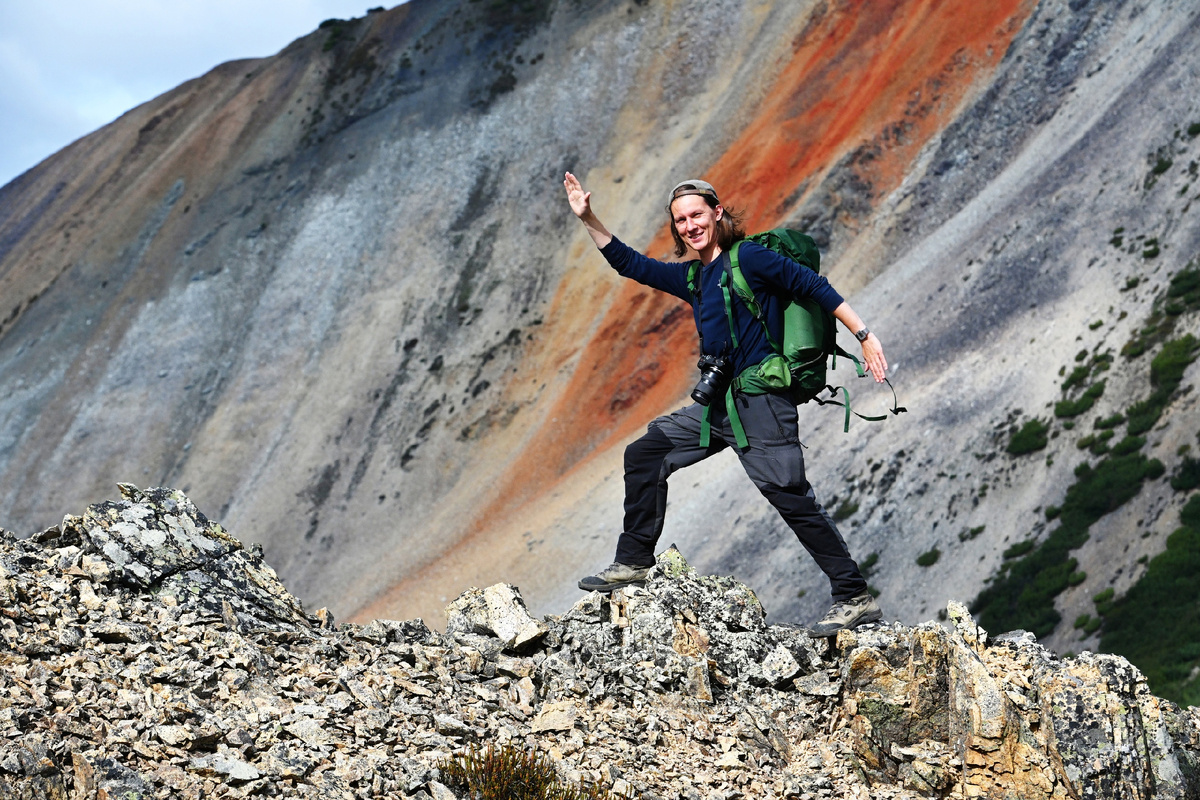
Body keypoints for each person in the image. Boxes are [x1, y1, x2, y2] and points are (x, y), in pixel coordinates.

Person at [562, 172, 888, 637]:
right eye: (681, 221)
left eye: (697, 214)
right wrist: (589, 217)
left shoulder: (749, 258)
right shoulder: (695, 276)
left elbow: (814, 286)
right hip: (720, 405)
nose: (690, 225)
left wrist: (864, 335)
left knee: (789, 497)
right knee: (645, 454)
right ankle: (634, 562)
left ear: (717, 213)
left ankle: (853, 596)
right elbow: (631, 264)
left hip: (762, 401)